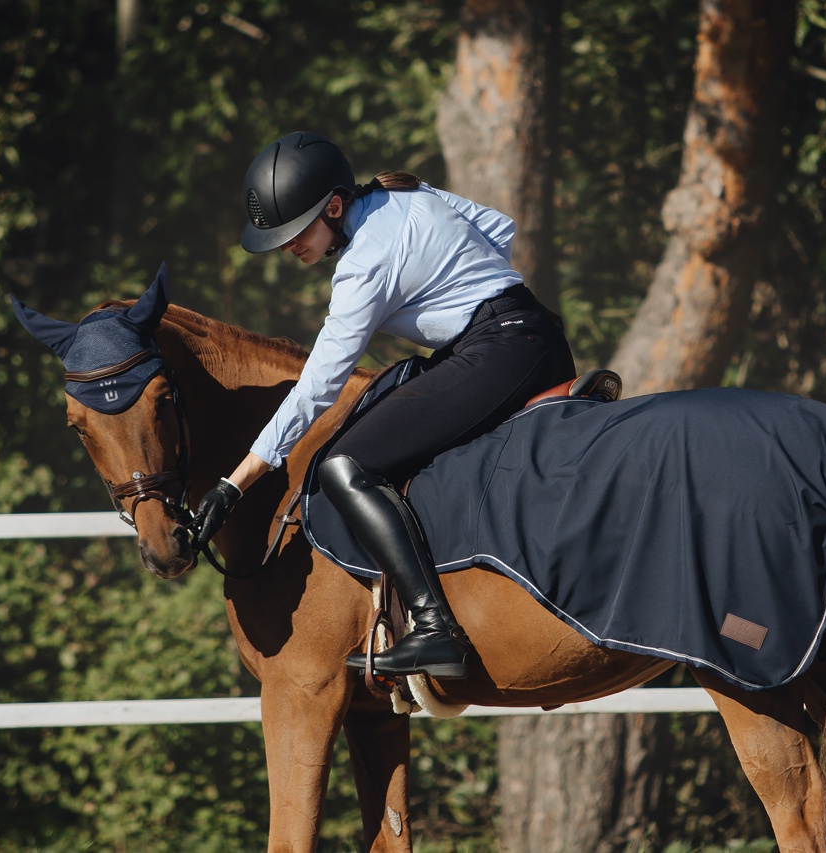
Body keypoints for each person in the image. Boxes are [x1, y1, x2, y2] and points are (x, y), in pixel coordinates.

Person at [191, 131, 576, 680]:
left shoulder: (362, 264)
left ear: (334, 205)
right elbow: (498, 228)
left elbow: (318, 387)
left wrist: (234, 484)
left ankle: (433, 627)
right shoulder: (409, 195)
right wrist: (466, 290)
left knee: (345, 466)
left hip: (500, 349)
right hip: (526, 334)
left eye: (295, 231)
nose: (286, 246)